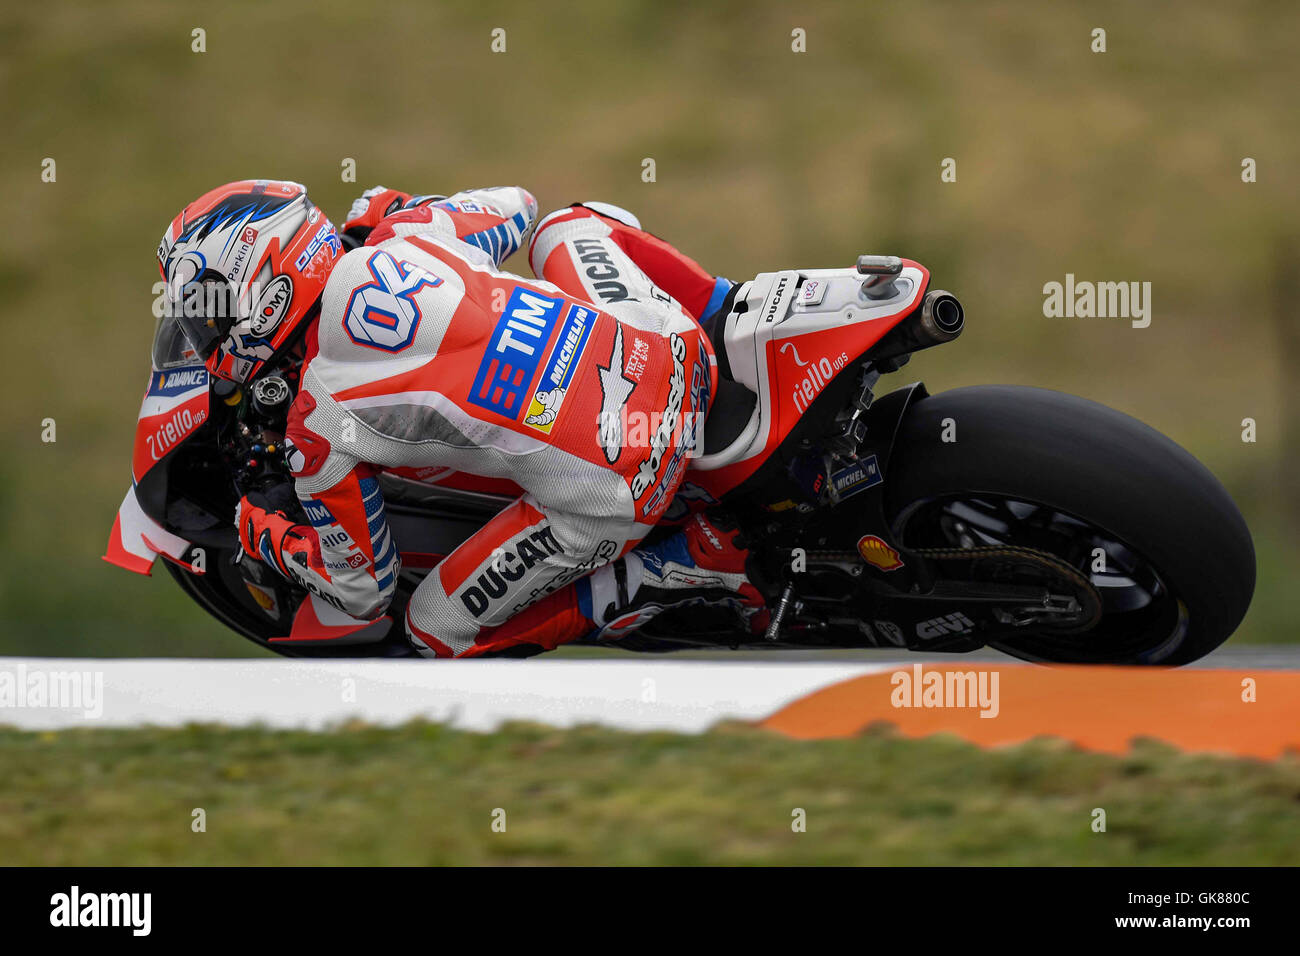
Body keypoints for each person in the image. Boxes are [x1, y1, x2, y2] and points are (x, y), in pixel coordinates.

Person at [157, 179, 762, 657]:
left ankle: (672, 568)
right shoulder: (405, 234)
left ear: (268, 291)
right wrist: (403, 208)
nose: (203, 329)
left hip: (627, 479)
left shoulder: (316, 422)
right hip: (677, 347)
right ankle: (732, 306)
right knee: (566, 227)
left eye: (208, 309)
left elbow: (363, 593)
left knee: (433, 630)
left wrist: (260, 526)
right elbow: (519, 205)